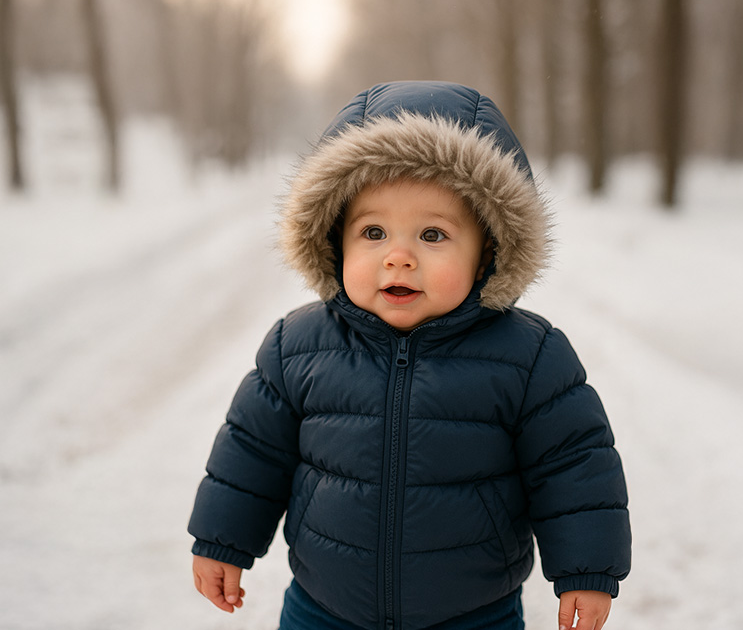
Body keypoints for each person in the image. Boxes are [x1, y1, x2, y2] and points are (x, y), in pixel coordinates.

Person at [188, 81, 631, 630]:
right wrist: (221, 540)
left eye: (433, 234)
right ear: (334, 240)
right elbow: (251, 455)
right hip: (324, 607)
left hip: (473, 614)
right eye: (373, 232)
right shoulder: (296, 347)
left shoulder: (529, 357)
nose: (398, 257)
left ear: (488, 248)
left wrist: (587, 569)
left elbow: (574, 466)